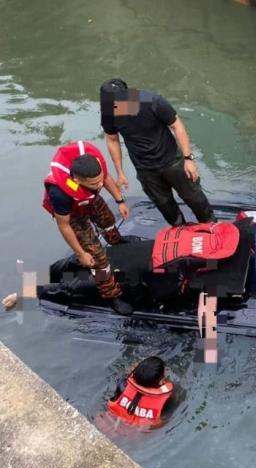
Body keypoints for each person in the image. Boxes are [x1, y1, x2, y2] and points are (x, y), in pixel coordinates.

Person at [100, 78, 216, 226]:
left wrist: (188, 159)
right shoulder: (109, 111)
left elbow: (177, 125)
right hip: (145, 169)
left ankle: (212, 225)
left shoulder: (152, 101)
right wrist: (120, 172)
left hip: (172, 161)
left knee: (194, 197)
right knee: (164, 204)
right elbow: (112, 139)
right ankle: (180, 230)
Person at [42, 141, 133, 315]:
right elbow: (64, 226)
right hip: (72, 215)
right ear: (76, 179)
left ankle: (116, 240)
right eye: (94, 183)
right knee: (98, 257)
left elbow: (105, 180)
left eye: (99, 180)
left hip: (88, 199)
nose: (99, 185)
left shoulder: (95, 177)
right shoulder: (60, 193)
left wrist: (119, 200)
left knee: (107, 219)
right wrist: (81, 253)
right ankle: (111, 295)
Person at [107, 356, 174, 427]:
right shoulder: (166, 401)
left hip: (110, 423)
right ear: (161, 381)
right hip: (138, 433)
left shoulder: (122, 385)